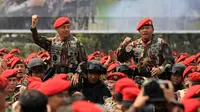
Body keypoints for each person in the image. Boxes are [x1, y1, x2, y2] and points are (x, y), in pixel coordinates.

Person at [30, 15, 87, 82]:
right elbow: (38, 40)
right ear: (57, 29)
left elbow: (84, 61)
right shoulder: (53, 42)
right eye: (63, 27)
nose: (66, 29)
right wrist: (33, 26)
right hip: (56, 75)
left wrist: (77, 73)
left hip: (72, 76)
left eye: (68, 27)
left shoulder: (76, 42)